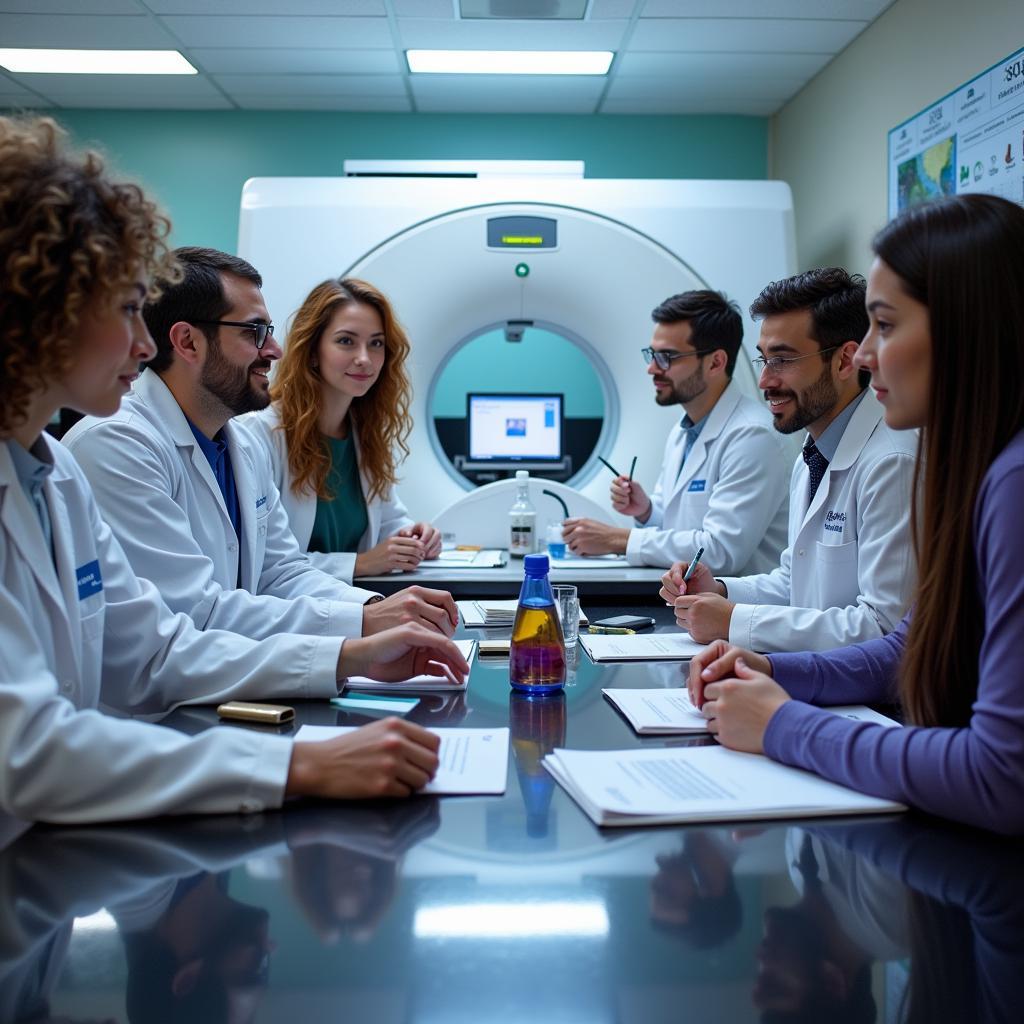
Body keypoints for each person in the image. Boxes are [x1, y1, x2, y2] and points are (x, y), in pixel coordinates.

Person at [0, 116, 468, 827]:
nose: (141, 339)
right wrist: (299, 759)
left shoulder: (55, 473)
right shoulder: (108, 446)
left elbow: (158, 649)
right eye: (126, 309)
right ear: (42, 309)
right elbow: (26, 746)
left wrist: (355, 650)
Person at [688, 193, 1024, 834]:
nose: (866, 355)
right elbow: (906, 647)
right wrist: (771, 669)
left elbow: (1002, 774)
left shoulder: (1008, 480)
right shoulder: (980, 467)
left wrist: (784, 723)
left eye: (887, 326)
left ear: (967, 327)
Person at [63, 247, 458, 642]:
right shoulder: (119, 444)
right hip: (149, 700)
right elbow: (198, 612)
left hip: (229, 673)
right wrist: (364, 625)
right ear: (188, 341)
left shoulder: (237, 445)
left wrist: (376, 608)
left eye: (376, 344)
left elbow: (281, 572)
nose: (275, 350)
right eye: (255, 332)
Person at [662, 268, 917, 651]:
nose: (765, 381)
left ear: (846, 360)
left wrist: (734, 620)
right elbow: (793, 582)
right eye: (763, 360)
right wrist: (718, 588)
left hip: (874, 701)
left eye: (782, 360)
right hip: (821, 676)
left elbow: (884, 627)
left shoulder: (891, 461)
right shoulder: (813, 455)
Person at [561, 290, 789, 574]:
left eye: (667, 357)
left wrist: (616, 539)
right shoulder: (683, 431)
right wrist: (645, 511)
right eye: (653, 355)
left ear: (716, 362)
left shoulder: (753, 435)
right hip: (689, 600)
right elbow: (677, 530)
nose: (652, 368)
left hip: (737, 607)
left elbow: (720, 552)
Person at [244, 277, 441, 584]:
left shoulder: (364, 434)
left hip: (355, 605)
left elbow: (389, 522)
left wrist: (414, 537)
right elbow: (261, 563)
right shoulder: (262, 433)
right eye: (346, 341)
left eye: (376, 343)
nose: (364, 358)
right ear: (312, 350)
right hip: (293, 614)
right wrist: (359, 563)